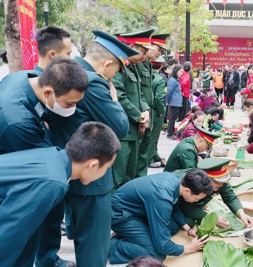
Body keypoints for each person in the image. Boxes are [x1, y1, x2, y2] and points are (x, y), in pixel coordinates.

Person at [51, 30, 137, 267]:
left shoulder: (67, 71)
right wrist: (115, 98)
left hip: (68, 167)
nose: (116, 74)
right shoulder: (94, 80)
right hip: (92, 177)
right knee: (95, 243)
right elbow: (120, 126)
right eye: (118, 69)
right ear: (107, 63)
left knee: (81, 233)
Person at [0, 58, 88, 267]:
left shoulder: (25, 77)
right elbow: (38, 175)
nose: (72, 109)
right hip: (12, 179)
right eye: (69, 103)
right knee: (21, 234)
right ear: (48, 92)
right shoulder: (17, 122)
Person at [0, 122, 120, 267]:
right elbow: (9, 237)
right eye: (107, 168)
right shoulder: (53, 182)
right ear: (93, 165)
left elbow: (26, 232)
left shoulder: (53, 156)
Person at [109, 169, 212, 263]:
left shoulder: (176, 181)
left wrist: (188, 230)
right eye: (197, 199)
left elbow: (174, 206)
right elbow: (163, 246)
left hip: (138, 211)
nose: (197, 201)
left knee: (174, 226)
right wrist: (188, 248)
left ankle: (131, 236)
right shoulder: (162, 198)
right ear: (187, 191)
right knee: (156, 255)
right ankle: (111, 246)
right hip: (120, 215)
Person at [112, 29, 153, 188]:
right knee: (118, 177)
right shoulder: (118, 67)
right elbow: (120, 97)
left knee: (131, 174)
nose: (144, 56)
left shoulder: (134, 66)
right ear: (131, 46)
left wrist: (146, 112)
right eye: (142, 51)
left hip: (134, 130)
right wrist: (139, 117)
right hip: (123, 131)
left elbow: (140, 94)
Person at [172, 158, 253, 232]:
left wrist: (241, 214)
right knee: (188, 222)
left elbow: (230, 197)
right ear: (205, 178)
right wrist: (213, 218)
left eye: (223, 181)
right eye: (217, 181)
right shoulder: (193, 183)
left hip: (192, 202)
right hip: (173, 202)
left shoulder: (221, 182)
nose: (221, 184)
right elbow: (187, 209)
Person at [136, 33, 169, 177]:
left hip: (147, 113)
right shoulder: (137, 64)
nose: (159, 54)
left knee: (143, 152)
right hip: (140, 115)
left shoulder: (147, 66)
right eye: (158, 50)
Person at [148, 56, 168, 168]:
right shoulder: (160, 79)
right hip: (156, 111)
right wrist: (161, 111)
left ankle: (155, 156)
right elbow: (158, 98)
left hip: (145, 109)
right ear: (160, 66)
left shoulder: (146, 76)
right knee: (154, 137)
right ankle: (150, 159)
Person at [166, 65, 184, 140]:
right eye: (180, 71)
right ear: (176, 71)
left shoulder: (176, 79)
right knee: (172, 118)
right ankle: (169, 134)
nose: (181, 73)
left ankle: (172, 131)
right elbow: (169, 92)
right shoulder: (172, 80)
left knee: (174, 118)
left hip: (177, 102)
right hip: (174, 102)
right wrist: (167, 100)